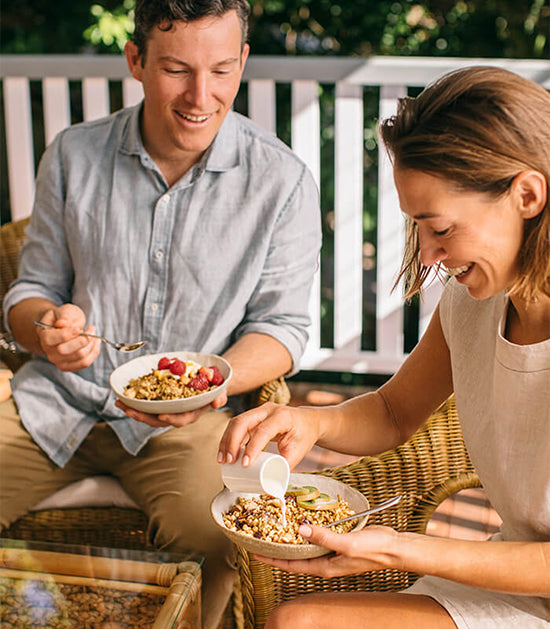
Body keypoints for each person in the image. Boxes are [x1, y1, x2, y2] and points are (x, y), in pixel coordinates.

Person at [0, 1, 321, 627]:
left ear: (243, 63)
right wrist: (46, 329)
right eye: (177, 70)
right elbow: (28, 290)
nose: (201, 96)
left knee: (214, 536)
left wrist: (207, 383)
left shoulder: (281, 180)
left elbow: (282, 330)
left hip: (190, 423)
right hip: (55, 401)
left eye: (222, 71)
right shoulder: (72, 155)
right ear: (136, 61)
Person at [218, 66, 550, 628]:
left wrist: (398, 549)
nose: (426, 255)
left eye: (441, 228)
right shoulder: (473, 305)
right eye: (417, 228)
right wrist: (311, 424)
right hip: (518, 585)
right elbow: (394, 412)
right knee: (296, 623)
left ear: (526, 194)